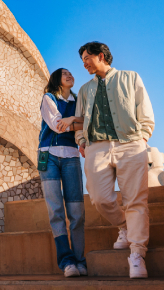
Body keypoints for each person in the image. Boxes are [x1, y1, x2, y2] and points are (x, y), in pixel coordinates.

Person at [75, 41, 154, 279]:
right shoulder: (84, 89)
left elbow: (144, 109)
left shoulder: (131, 78)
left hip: (130, 143)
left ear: (101, 56)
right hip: (96, 147)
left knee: (136, 200)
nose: (84, 64)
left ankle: (137, 253)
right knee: (99, 198)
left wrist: (143, 136)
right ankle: (125, 226)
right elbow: (79, 119)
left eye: (87, 58)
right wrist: (81, 140)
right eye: (82, 61)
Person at [38, 68, 87, 277]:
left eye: (71, 73)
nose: (70, 75)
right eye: (64, 73)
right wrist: (78, 122)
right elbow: (58, 126)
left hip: (72, 157)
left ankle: (79, 260)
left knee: (77, 212)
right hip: (48, 156)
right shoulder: (48, 99)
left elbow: (88, 122)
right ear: (57, 78)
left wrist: (76, 122)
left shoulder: (78, 101)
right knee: (56, 210)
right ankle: (66, 261)